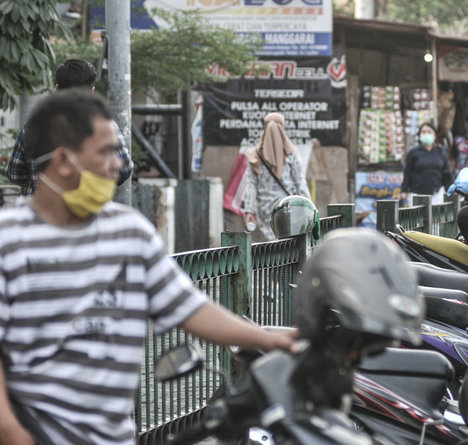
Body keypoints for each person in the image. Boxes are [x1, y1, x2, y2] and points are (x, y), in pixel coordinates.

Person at [0, 90, 297, 445]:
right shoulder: (9, 239)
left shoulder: (129, 232)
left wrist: (268, 339)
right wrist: (14, 434)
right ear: (64, 160)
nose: (119, 165)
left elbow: (188, 307)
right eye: (107, 152)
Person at [6, 59, 133, 195]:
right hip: (89, 209)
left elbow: (15, 173)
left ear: (57, 89)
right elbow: (124, 169)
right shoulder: (105, 127)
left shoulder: (33, 126)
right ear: (91, 91)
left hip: (40, 208)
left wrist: (39, 182)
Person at [242, 112, 311, 241]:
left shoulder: (254, 156)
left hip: (265, 210)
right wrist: (309, 206)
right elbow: (300, 183)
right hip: (288, 208)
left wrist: (249, 211)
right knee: (287, 243)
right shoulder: (291, 154)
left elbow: (251, 185)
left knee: (272, 245)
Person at [399, 122, 452, 205]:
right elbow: (407, 173)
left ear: (435, 135)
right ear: (419, 135)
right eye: (423, 132)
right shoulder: (413, 152)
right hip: (416, 195)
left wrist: (450, 191)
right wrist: (404, 191)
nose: (426, 134)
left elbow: (447, 173)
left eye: (429, 132)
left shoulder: (441, 151)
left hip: (437, 195)